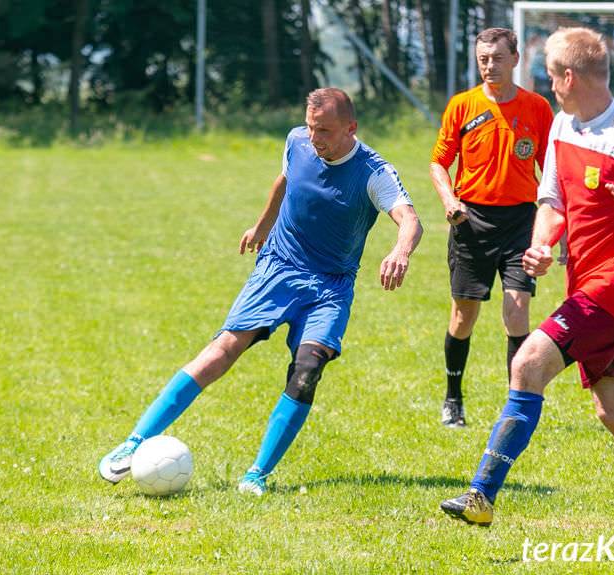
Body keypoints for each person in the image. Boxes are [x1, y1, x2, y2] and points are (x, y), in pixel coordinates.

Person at [440, 27, 614, 551]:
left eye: (551, 75)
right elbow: (552, 202)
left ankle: (481, 495)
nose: (548, 84)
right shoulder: (564, 126)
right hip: (585, 284)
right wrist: (543, 244)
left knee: (527, 364)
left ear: (570, 76)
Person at [99, 88, 423, 495]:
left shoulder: (374, 171)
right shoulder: (296, 141)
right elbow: (285, 180)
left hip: (330, 285)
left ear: (350, 128)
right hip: (279, 267)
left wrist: (401, 250)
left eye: (324, 130)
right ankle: (133, 442)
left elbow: (409, 219)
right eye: (310, 126)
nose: (314, 137)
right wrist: (263, 225)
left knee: (308, 370)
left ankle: (257, 474)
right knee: (223, 349)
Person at [430, 28, 553, 427]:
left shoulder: (536, 108)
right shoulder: (462, 106)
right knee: (463, 317)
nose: (489, 65)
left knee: (517, 312)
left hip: (520, 221)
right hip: (471, 221)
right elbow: (438, 162)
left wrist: (556, 225)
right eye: (483, 58)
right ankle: (453, 398)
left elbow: (550, 173)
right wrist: (450, 201)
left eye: (497, 58)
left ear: (515, 59)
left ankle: (516, 406)